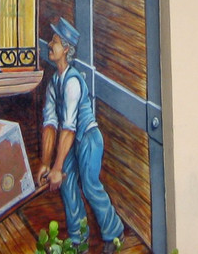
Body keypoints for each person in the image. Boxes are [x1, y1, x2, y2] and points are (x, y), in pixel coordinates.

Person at [38, 18, 124, 254]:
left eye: (55, 41)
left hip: (87, 139)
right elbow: (50, 124)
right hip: (71, 141)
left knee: (90, 186)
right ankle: (78, 240)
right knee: (67, 185)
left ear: (66, 48)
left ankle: (114, 231)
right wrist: (46, 163)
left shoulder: (73, 82)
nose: (50, 45)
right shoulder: (54, 83)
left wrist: (57, 168)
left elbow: (69, 128)